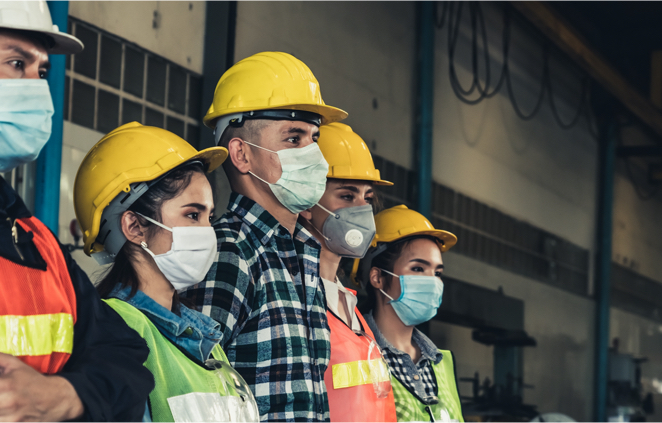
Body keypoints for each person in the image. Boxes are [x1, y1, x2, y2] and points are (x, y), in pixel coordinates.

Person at [0, 2, 153, 421]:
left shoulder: (34, 236)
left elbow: (129, 360)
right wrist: (89, 394)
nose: (39, 88)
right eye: (17, 62)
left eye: (40, 71)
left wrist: (63, 395)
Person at [179, 51, 347, 421]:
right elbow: (199, 392)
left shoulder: (302, 255)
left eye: (314, 138)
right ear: (241, 154)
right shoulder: (228, 252)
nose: (314, 155)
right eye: (293, 138)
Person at [73, 122, 259, 422]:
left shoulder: (203, 338)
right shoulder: (116, 329)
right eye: (192, 215)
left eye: (209, 217)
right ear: (134, 226)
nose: (208, 232)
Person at [299, 122, 397, 421]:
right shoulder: (294, 298)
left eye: (367, 198)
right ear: (306, 201)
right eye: (346, 196)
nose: (362, 210)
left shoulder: (348, 301)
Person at [354, 205, 464, 422]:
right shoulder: (355, 356)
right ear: (377, 278)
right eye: (417, 269)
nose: (432, 281)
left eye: (438, 272)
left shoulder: (442, 362)